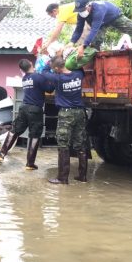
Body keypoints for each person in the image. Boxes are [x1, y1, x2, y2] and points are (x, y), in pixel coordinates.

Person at [0, 59, 55, 169]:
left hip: (23, 108)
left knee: (15, 131)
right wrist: (55, 78)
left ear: (21, 70)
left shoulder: (25, 78)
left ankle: (2, 154)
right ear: (31, 64)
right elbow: (50, 89)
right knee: (35, 134)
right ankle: (30, 163)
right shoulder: (38, 77)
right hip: (35, 109)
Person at [46, 56, 88, 184]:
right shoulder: (78, 74)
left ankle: (62, 178)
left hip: (66, 113)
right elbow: (80, 66)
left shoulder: (57, 78)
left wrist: (48, 61)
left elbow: (43, 71)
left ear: (57, 68)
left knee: (63, 144)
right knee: (80, 143)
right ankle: (82, 176)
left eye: (55, 68)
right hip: (80, 112)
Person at [67, 0, 132, 59]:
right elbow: (78, 29)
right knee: (95, 42)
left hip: (114, 17)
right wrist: (71, 42)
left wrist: (83, 46)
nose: (81, 12)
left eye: (82, 10)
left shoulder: (98, 10)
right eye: (79, 10)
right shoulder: (81, 15)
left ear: (89, 5)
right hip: (101, 24)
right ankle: (97, 61)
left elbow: (94, 30)